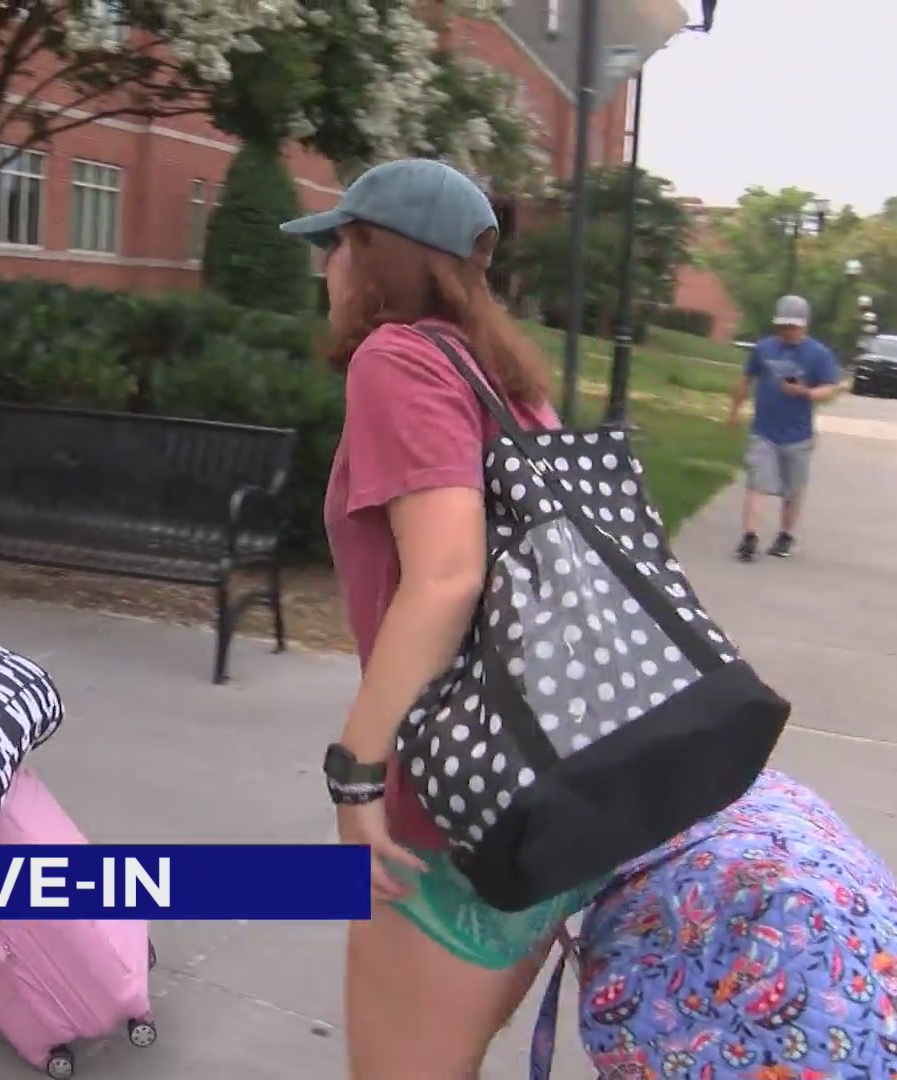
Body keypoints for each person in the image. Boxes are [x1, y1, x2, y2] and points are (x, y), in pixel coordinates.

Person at [279, 159, 604, 1080]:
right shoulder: (503, 377)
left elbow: (448, 574)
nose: (327, 269)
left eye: (338, 245)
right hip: (547, 785)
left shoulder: (398, 359)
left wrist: (356, 776)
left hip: (446, 807)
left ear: (375, 254)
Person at [724, 295, 842, 562]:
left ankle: (785, 534)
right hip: (763, 430)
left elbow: (829, 388)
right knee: (757, 482)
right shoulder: (764, 348)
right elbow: (746, 379)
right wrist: (734, 411)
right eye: (783, 326)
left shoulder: (819, 354)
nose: (788, 331)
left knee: (792, 489)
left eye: (793, 326)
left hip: (798, 435)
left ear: (804, 325)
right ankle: (750, 537)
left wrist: (805, 393)